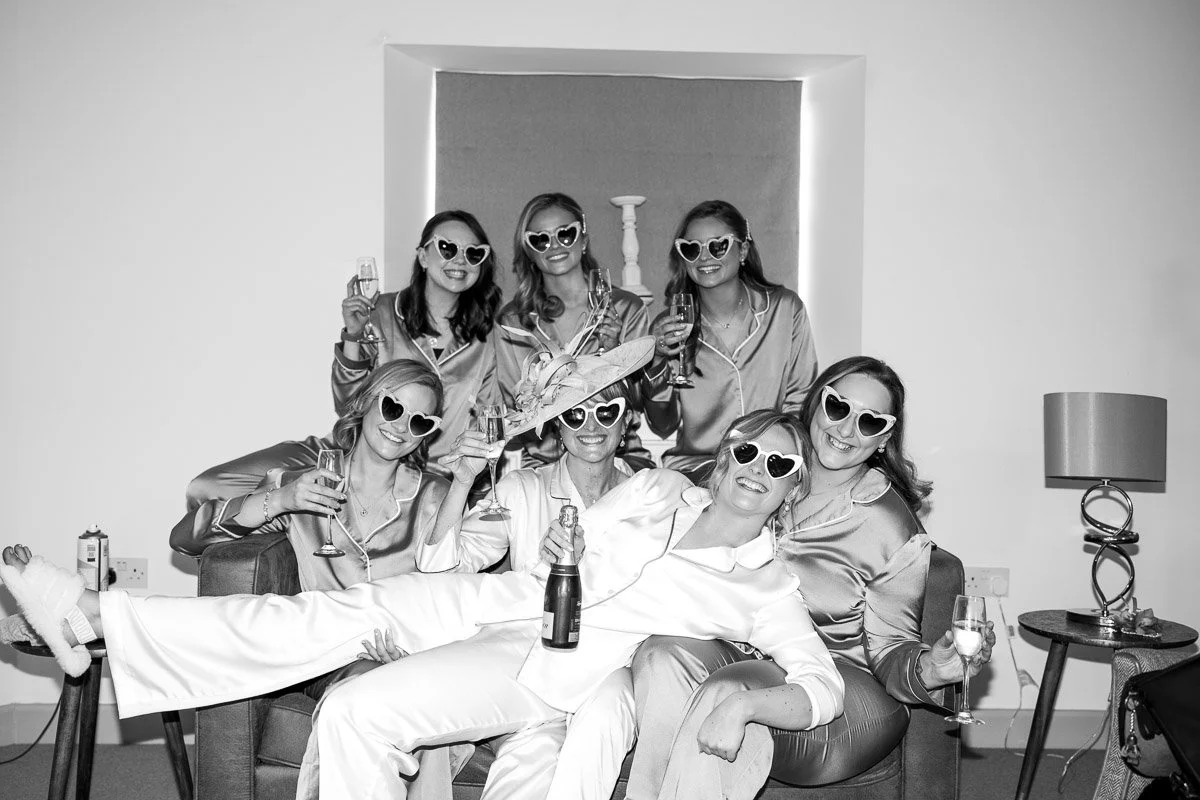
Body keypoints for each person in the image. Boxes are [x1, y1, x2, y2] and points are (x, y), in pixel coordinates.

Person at [0, 408, 843, 800]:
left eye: (779, 467)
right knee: (347, 626)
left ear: (791, 491)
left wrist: (752, 701)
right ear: (724, 452)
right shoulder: (658, 487)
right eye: (747, 450)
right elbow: (580, 537)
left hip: (562, 670)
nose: (754, 470)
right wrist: (563, 546)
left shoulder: (767, 585)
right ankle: (93, 617)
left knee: (360, 696)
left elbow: (821, 686)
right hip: (498, 602)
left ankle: (89, 622)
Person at [627, 356, 997, 800]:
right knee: (662, 654)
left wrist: (934, 670)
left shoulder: (889, 528)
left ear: (884, 438)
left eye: (869, 422)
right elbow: (666, 509)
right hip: (749, 653)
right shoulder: (765, 468)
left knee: (731, 690)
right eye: (839, 407)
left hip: (846, 689)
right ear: (816, 403)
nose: (845, 429)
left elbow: (891, 649)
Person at [182, 209, 501, 510]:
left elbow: (490, 422)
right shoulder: (381, 312)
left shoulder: (489, 339)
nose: (460, 259)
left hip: (425, 477)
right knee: (208, 489)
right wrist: (353, 335)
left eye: (474, 253)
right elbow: (348, 402)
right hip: (348, 453)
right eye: (447, 247)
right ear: (422, 255)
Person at [644, 199, 819, 484]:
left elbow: (800, 403)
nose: (704, 257)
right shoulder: (671, 326)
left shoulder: (785, 310)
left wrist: (776, 464)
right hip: (698, 471)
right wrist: (657, 360)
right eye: (691, 248)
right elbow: (662, 424)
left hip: (770, 466)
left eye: (718, 245)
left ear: (743, 250)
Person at [495, 192, 654, 471]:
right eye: (540, 239)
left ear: (583, 238)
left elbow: (641, 402)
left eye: (565, 234)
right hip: (545, 464)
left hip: (619, 457)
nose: (554, 245)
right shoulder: (514, 322)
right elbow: (519, 409)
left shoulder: (626, 307)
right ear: (529, 252)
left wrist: (614, 354)